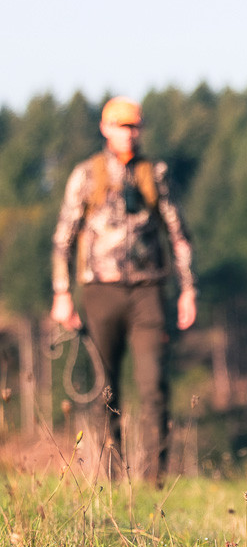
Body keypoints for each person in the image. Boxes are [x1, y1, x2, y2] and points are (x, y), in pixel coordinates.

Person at [51, 96, 197, 484]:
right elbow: (63, 238)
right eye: (120, 126)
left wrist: (188, 291)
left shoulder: (157, 174)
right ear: (105, 128)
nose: (128, 133)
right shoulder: (86, 175)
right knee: (105, 391)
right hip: (100, 293)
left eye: (134, 127)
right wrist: (62, 293)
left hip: (149, 293)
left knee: (154, 387)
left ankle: (153, 481)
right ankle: (114, 477)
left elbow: (179, 235)